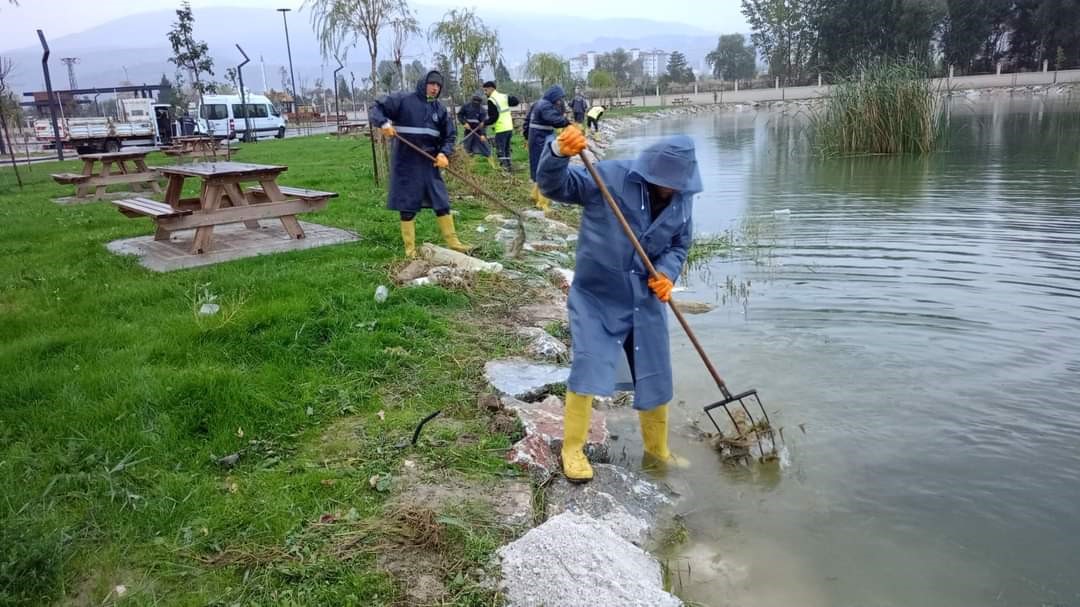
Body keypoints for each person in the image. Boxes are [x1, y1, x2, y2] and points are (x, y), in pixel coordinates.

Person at [536, 128, 701, 482]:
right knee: (588, 365)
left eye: (677, 182)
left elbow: (679, 245)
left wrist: (667, 274)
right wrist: (558, 153)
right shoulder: (608, 177)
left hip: (645, 298)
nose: (669, 187)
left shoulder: (683, 199)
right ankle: (573, 449)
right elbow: (556, 186)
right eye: (664, 180)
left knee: (655, 372)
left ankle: (657, 450)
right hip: (598, 295)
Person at [369, 70, 471, 258]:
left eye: (438, 86)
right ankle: (410, 250)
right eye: (432, 84)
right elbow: (376, 109)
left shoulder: (439, 110)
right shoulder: (403, 100)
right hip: (406, 163)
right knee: (408, 206)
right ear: (423, 83)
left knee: (441, 201)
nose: (435, 88)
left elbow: (449, 135)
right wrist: (384, 124)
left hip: (429, 163)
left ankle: (454, 242)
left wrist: (443, 153)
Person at [522, 85, 569, 212]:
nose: (560, 101)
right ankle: (543, 203)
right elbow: (554, 119)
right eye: (559, 99)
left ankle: (534, 195)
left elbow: (526, 122)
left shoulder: (538, 103)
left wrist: (527, 136)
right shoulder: (546, 106)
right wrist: (567, 123)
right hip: (541, 138)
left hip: (535, 137)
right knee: (546, 168)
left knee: (537, 166)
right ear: (553, 96)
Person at [483, 80, 515, 171]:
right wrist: (510, 97)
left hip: (501, 129)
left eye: (486, 90)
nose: (485, 93)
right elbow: (516, 101)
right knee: (507, 149)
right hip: (509, 127)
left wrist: (484, 123)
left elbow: (493, 118)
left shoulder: (491, 100)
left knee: (501, 150)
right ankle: (509, 167)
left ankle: (504, 170)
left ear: (491, 89)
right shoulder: (503, 96)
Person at [457, 92, 491, 157]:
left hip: (478, 130)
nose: (476, 103)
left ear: (480, 102)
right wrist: (464, 123)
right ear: (472, 100)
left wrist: (483, 134)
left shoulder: (482, 110)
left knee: (484, 146)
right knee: (467, 145)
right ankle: (468, 156)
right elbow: (460, 115)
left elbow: (483, 123)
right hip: (468, 129)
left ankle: (488, 155)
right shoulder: (466, 106)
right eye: (474, 101)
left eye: (478, 101)